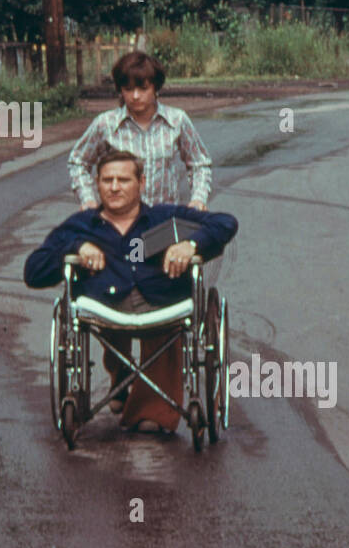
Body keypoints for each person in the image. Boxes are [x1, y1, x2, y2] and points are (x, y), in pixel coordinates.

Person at [24, 150, 238, 434]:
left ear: (142, 182)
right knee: (102, 301)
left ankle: (151, 409)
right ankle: (122, 377)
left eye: (123, 180)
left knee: (168, 319)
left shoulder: (165, 218)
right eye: (107, 180)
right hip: (105, 308)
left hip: (161, 304)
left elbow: (225, 222)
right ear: (97, 184)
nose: (114, 187)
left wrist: (191, 245)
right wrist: (74, 249)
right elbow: (33, 272)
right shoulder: (80, 226)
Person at [68, 51, 212, 211]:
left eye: (143, 89)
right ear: (120, 90)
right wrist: (88, 199)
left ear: (155, 88)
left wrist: (198, 199)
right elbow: (78, 161)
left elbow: (200, 163)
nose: (135, 96)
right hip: (119, 222)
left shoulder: (177, 120)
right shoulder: (105, 124)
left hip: (164, 219)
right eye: (128, 89)